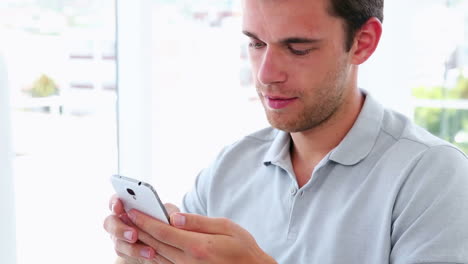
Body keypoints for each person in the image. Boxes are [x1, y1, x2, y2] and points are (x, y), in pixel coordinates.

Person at [103, 0, 468, 263]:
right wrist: (145, 254)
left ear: (363, 42)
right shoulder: (228, 167)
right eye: (256, 43)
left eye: (297, 48)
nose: (265, 74)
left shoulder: (433, 176)